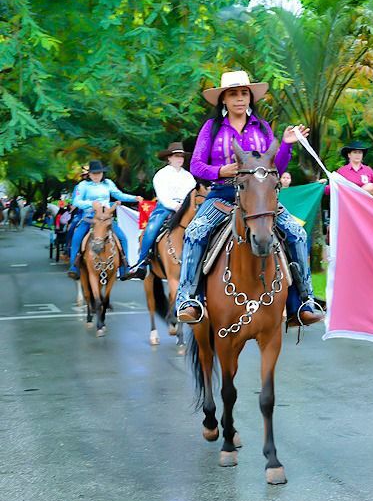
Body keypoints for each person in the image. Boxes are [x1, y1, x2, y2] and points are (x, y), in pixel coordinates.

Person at [174, 70, 323, 327]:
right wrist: (221, 171)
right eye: (233, 94)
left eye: (244, 93)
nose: (239, 99)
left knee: (296, 234)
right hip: (222, 195)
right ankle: (188, 299)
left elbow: (277, 168)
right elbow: (196, 166)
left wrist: (286, 144)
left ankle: (303, 302)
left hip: (259, 198)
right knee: (195, 232)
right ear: (223, 99)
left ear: (250, 98)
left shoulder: (263, 128)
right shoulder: (212, 128)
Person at [121, 142, 198, 280]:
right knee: (151, 228)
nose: (179, 159)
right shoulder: (161, 175)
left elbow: (192, 193)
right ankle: (142, 262)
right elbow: (162, 196)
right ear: (169, 158)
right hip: (166, 208)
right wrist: (175, 206)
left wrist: (185, 206)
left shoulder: (189, 177)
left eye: (181, 156)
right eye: (176, 156)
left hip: (186, 209)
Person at [66, 160, 142, 280]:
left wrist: (134, 198)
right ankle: (74, 267)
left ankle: (124, 268)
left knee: (123, 238)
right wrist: (91, 204)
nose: (97, 176)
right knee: (77, 238)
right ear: (89, 174)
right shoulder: (83, 186)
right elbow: (76, 201)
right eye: (94, 173)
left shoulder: (108, 183)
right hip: (89, 218)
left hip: (106, 218)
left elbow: (119, 195)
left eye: (99, 173)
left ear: (102, 173)